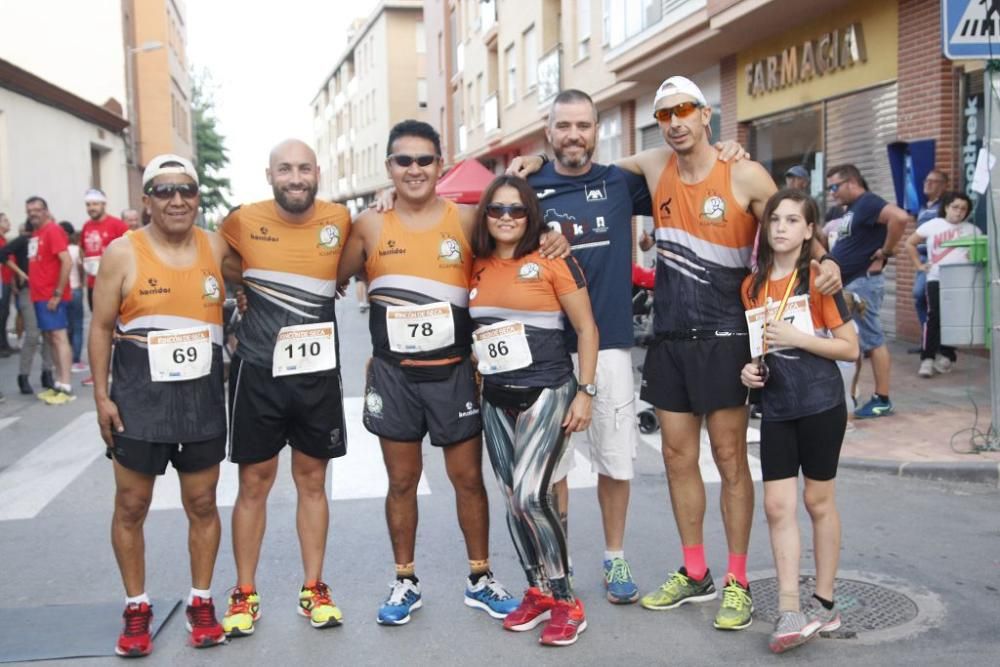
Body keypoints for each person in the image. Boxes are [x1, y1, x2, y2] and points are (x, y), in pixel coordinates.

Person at [582, 75, 839, 631]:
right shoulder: (655, 166)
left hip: (727, 339)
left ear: (705, 114)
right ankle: (695, 571)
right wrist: (535, 167)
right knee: (676, 458)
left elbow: (789, 219)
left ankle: (739, 581)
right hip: (671, 341)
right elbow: (587, 164)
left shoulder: (742, 171)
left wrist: (824, 261)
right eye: (664, 114)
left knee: (728, 460)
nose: (674, 122)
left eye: (683, 111)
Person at [506, 91, 748, 604]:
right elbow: (489, 232)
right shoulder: (527, 186)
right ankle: (559, 565)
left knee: (616, 462)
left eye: (584, 125)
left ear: (597, 131)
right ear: (548, 133)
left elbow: (685, 164)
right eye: (563, 126)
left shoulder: (620, 183)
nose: (574, 135)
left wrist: (728, 150)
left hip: (611, 344)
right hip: (546, 347)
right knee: (554, 467)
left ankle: (615, 559)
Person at [339, 119, 568, 625]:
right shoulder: (370, 226)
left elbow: (518, 232)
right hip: (395, 377)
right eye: (404, 161)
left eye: (425, 160)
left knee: (468, 480)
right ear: (389, 168)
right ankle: (405, 581)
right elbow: (329, 279)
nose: (415, 169)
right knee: (402, 482)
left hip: (455, 372)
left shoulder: (466, 219)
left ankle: (480, 578)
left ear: (440, 165)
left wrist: (554, 238)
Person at [89, 154, 229, 656]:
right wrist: (101, 397)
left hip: (201, 404)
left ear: (197, 197)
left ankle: (201, 601)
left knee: (202, 504)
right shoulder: (121, 253)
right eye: (165, 191)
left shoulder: (216, 247)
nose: (176, 200)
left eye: (186, 190)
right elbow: (102, 326)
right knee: (131, 506)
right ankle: (136, 607)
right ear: (147, 199)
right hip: (139, 404)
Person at [221, 139, 350, 636]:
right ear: (269, 175)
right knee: (254, 483)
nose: (295, 178)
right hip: (258, 372)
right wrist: (241, 285)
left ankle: (314, 587)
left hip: (317, 375)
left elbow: (357, 260)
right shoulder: (242, 220)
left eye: (303, 169)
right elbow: (215, 259)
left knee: (312, 482)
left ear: (317, 171)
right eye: (285, 170)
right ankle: (244, 592)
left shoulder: (339, 219)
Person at [470, 175, 598, 645]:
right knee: (511, 499)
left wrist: (586, 391)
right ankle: (537, 590)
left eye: (517, 210)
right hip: (495, 397)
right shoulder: (475, 262)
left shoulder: (552, 258)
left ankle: (567, 600)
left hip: (548, 389)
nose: (507, 218)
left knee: (530, 497)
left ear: (532, 216)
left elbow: (586, 329)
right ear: (485, 215)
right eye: (497, 209)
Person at [739, 189, 858, 653]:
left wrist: (797, 337)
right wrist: (749, 369)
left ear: (810, 230)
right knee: (776, 506)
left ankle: (824, 602)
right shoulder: (751, 285)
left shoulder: (818, 279)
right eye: (775, 220)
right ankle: (790, 607)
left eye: (793, 220)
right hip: (778, 405)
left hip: (821, 401)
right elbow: (758, 345)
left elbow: (850, 347)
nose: (782, 227)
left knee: (817, 501)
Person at [825, 164, 910, 418]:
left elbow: (901, 217)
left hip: (863, 283)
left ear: (852, 182)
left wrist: (886, 250)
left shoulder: (869, 202)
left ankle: (882, 399)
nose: (832, 193)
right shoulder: (853, 209)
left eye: (835, 186)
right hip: (850, 283)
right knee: (854, 342)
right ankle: (851, 395)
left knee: (873, 339)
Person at [904, 191, 979, 377]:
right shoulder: (933, 225)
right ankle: (927, 359)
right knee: (934, 316)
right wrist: (919, 265)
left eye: (963, 209)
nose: (959, 212)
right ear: (946, 207)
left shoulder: (973, 230)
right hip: (936, 277)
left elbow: (980, 254)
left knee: (953, 319)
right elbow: (910, 243)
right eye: (955, 207)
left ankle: (947, 356)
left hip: (961, 280)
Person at [26, 197, 74, 405]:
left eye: (37, 209)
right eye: (30, 210)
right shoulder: (36, 233)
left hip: (51, 296)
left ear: (46, 210)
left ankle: (66, 385)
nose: (33, 213)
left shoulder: (53, 230)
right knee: (51, 339)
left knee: (59, 338)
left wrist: (57, 293)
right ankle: (57, 383)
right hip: (39, 296)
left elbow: (67, 261)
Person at [0, 221, 55, 394]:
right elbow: (3, 254)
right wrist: (20, 273)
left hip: (46, 291)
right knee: (32, 334)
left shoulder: (49, 239)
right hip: (28, 291)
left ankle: (47, 373)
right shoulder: (25, 240)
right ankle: (23, 376)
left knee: (49, 333)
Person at [81, 189, 128, 387]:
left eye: (95, 204)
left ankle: (122, 368)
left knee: (119, 328)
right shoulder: (86, 226)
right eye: (89, 205)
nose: (92, 208)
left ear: (103, 204)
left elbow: (131, 249)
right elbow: (84, 249)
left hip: (117, 285)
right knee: (100, 327)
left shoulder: (117, 224)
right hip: (94, 284)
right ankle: (101, 371)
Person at [912, 170, 950, 328]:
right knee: (922, 298)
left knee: (921, 294)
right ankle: (927, 339)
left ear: (943, 186)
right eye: (927, 180)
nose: (928, 184)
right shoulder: (923, 207)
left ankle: (935, 340)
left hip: (935, 258)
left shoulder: (944, 207)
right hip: (922, 259)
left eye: (933, 181)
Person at [58, 221, 87, 372]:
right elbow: (82, 267)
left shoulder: (59, 250)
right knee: (77, 326)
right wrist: (81, 283)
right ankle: (76, 359)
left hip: (62, 291)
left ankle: (66, 357)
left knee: (65, 326)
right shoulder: (77, 250)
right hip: (75, 289)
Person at [0, 212, 14, 357]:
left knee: (5, 314)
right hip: (2, 281)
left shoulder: (4, 241)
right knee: (2, 314)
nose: (8, 222)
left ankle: (4, 343)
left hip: (7, 281)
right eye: (4, 220)